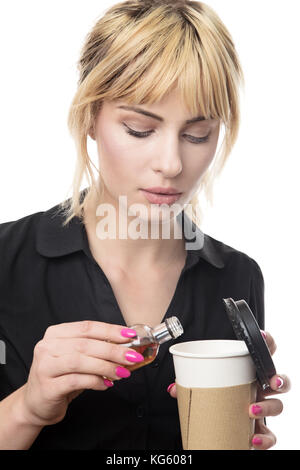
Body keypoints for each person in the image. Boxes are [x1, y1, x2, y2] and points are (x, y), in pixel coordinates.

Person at [0, 0, 291, 450]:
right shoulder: (5, 261)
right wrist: (27, 407)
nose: (171, 164)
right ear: (90, 117)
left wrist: (243, 429)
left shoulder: (238, 277)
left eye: (198, 135)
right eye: (139, 129)